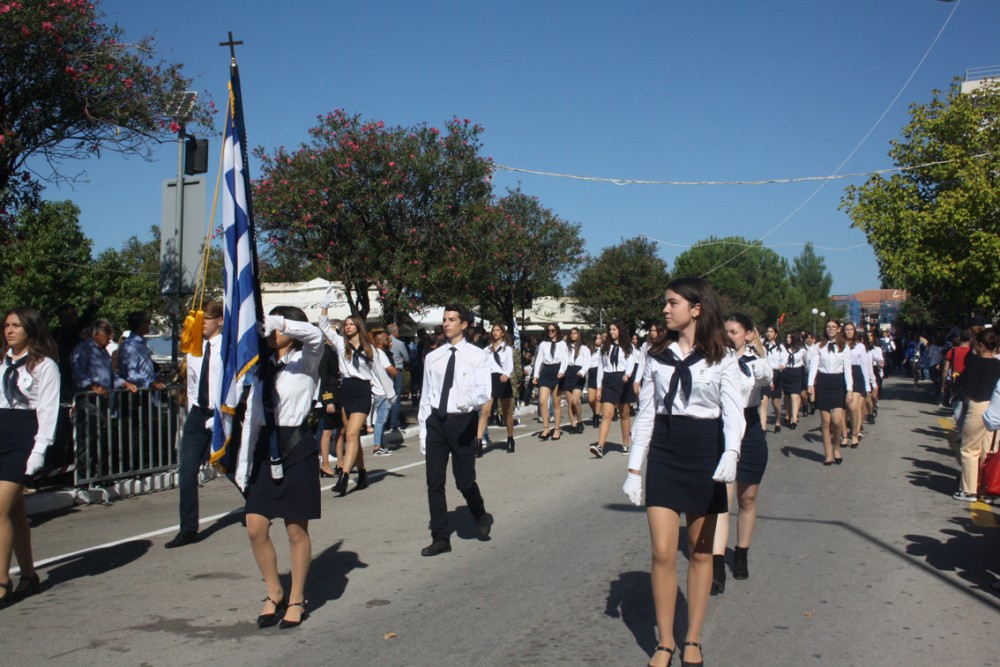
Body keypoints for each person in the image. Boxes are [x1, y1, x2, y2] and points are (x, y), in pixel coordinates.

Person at [622, 277, 745, 667]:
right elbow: (645, 413)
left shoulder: (723, 356)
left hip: (704, 450)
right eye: (665, 303)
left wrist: (731, 452)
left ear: (696, 308)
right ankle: (665, 641)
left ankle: (692, 638)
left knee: (701, 552)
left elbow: (734, 412)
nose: (664, 309)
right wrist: (634, 468)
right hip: (665, 450)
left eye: (672, 303)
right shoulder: (655, 353)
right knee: (661, 552)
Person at [234, 307, 323, 629]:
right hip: (263, 445)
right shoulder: (259, 367)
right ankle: (274, 590)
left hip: (295, 445)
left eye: (277, 326)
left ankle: (296, 597)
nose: (271, 333)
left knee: (295, 529)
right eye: (267, 327)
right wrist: (243, 463)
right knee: (255, 525)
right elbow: (251, 417)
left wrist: (282, 322)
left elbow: (315, 335)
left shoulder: (306, 360)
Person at [417, 304, 494, 557]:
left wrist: (470, 402)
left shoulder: (478, 356)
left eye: (452, 319)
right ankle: (440, 537)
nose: (446, 324)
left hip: (463, 423)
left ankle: (479, 512)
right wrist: (423, 430)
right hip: (437, 422)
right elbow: (426, 395)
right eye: (444, 319)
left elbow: (485, 392)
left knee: (464, 480)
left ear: (464, 324)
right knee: (434, 482)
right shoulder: (433, 357)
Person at [0, 307, 60, 608]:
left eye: (17, 326)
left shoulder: (44, 365)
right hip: (0, 429)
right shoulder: (1, 361)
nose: (10, 331)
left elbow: (48, 412)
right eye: (7, 325)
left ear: (31, 330)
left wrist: (38, 451)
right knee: (14, 512)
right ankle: (28, 575)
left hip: (23, 437)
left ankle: (1, 582)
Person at [711, 313, 771, 596]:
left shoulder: (756, 363)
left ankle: (742, 553)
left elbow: (766, 375)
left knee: (748, 498)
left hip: (751, 429)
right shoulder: (715, 360)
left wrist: (750, 358)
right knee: (723, 498)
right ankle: (717, 564)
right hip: (724, 430)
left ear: (748, 334)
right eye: (725, 331)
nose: (728, 336)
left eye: (734, 331)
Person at [317, 288, 394, 496]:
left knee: (351, 434)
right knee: (353, 438)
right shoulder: (341, 345)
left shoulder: (371, 349)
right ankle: (362, 473)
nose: (348, 326)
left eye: (351, 324)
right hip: (346, 389)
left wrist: (390, 394)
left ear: (358, 326)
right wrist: (325, 305)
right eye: (346, 324)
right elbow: (324, 326)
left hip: (362, 391)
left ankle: (344, 476)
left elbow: (380, 372)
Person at [165, 301, 223, 549]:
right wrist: (191, 414)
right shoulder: (194, 350)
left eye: (207, 319)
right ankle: (188, 528)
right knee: (186, 472)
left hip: (221, 415)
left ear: (220, 320)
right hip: (198, 415)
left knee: (231, 467)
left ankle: (258, 507)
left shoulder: (228, 347)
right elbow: (191, 385)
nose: (202, 324)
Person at [950, 329, 1000, 502]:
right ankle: (988, 489)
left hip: (978, 405)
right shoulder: (998, 364)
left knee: (970, 449)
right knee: (989, 450)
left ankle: (968, 490)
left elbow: (966, 387)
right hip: (996, 407)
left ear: (979, 345)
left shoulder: (975, 362)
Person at [807, 319, 853, 465]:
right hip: (823, 383)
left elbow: (848, 369)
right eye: (828, 327)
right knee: (825, 422)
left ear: (839, 329)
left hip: (838, 383)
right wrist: (810, 384)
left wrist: (849, 389)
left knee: (837, 420)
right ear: (825, 329)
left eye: (834, 327)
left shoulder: (844, 347)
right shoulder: (818, 347)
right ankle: (828, 454)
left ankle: (837, 448)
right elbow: (814, 366)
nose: (831, 329)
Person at [590, 320, 635, 458]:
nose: (611, 332)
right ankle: (600, 446)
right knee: (607, 414)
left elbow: (631, 363)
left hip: (622, 379)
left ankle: (626, 444)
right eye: (610, 330)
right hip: (608, 380)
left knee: (624, 414)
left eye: (614, 329)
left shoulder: (628, 346)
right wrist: (599, 387)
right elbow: (601, 368)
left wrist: (627, 375)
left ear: (620, 330)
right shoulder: (605, 347)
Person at [476, 323, 516, 454]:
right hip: (489, 380)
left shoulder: (507, 349)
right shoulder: (486, 350)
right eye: (493, 330)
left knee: (506, 412)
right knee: (485, 411)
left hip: (502, 379)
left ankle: (510, 439)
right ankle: (478, 443)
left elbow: (510, 365)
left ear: (503, 333)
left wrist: (506, 374)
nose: (495, 332)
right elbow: (481, 365)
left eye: (498, 330)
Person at [531, 323, 568, 440]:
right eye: (548, 330)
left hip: (557, 371)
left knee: (556, 403)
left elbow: (565, 359)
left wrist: (562, 371)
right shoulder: (543, 344)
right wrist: (535, 375)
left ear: (556, 331)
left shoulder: (562, 344)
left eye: (552, 330)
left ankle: (557, 429)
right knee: (542, 401)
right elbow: (538, 360)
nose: (550, 332)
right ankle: (546, 428)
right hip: (546, 371)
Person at [842, 322, 871, 448]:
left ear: (854, 332)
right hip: (842, 373)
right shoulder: (839, 344)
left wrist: (868, 384)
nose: (849, 331)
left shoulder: (860, 346)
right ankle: (844, 435)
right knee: (843, 408)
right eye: (846, 329)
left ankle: (855, 432)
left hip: (856, 374)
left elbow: (864, 365)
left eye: (851, 329)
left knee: (853, 406)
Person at [561, 327, 590, 434]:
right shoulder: (566, 348)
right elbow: (563, 361)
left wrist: (582, 372)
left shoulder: (584, 349)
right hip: (568, 373)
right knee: (570, 403)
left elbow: (587, 363)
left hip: (578, 374)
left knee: (575, 400)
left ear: (578, 335)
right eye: (571, 333)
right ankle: (573, 425)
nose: (573, 335)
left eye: (575, 333)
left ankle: (580, 421)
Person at [761, 326, 786, 433]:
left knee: (776, 402)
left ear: (775, 334)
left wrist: (782, 364)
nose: (769, 333)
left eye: (771, 332)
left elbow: (784, 358)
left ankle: (777, 421)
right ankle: (763, 427)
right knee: (764, 401)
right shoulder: (762, 346)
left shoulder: (780, 347)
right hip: (766, 374)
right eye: (767, 331)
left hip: (776, 374)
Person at [780, 332, 806, 429]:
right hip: (786, 372)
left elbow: (806, 361)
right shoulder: (784, 349)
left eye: (790, 337)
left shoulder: (802, 350)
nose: (788, 339)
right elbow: (781, 359)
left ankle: (794, 419)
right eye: (787, 337)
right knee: (787, 395)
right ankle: (788, 415)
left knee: (795, 395)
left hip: (797, 373)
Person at [386, 323, 409, 430]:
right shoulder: (399, 343)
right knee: (396, 397)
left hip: (385, 371)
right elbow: (407, 358)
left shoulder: (383, 342)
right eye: (398, 331)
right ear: (394, 332)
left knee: (386, 397)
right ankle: (394, 423)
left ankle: (386, 420)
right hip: (397, 370)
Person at [586, 332, 603, 429]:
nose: (600, 340)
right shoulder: (588, 350)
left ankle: (596, 417)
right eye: (598, 338)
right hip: (591, 373)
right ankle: (595, 412)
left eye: (600, 338)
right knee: (591, 399)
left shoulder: (604, 349)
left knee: (598, 397)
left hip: (599, 372)